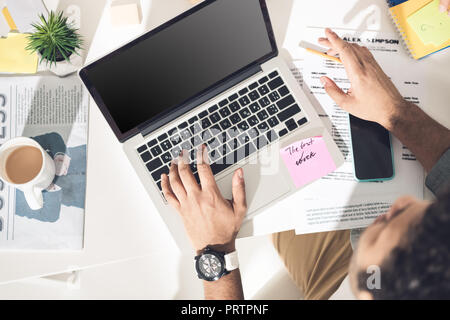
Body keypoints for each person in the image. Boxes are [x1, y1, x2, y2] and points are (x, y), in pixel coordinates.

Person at [160, 28, 450, 300]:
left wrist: (215, 253)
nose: (398, 204)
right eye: (429, 213)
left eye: (386, 228)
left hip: (325, 279)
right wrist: (396, 113)